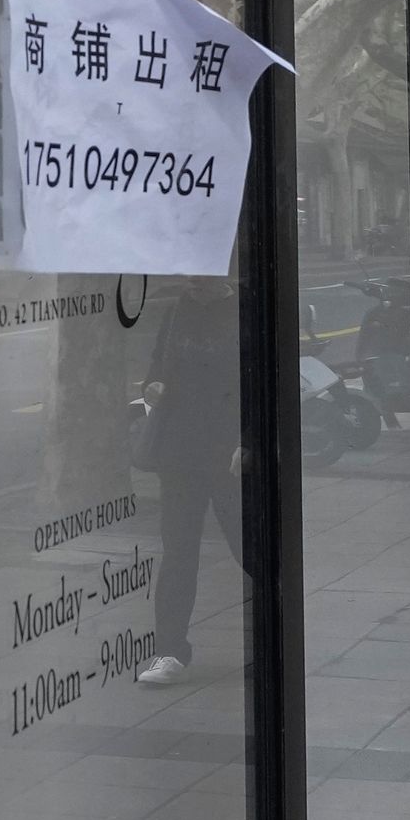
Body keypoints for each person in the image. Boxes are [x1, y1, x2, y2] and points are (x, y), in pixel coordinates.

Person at [134, 275, 245, 688]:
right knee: (178, 553)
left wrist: (247, 438)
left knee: (247, 547)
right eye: (190, 280)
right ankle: (170, 651)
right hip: (179, 452)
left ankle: (281, 631)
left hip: (230, 453)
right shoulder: (177, 310)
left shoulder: (245, 311)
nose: (194, 285)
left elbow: (265, 379)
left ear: (224, 276)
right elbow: (155, 371)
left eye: (202, 280)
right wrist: (154, 387)